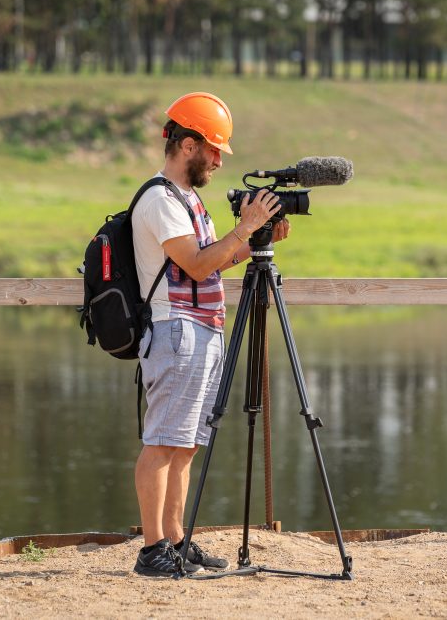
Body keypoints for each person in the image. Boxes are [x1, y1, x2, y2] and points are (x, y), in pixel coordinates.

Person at [130, 92, 290, 577]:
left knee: (185, 443)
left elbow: (213, 262)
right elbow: (198, 264)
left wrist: (255, 238)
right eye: (215, 149)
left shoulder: (189, 200)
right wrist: (245, 226)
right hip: (176, 329)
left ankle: (177, 539)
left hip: (202, 330)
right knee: (162, 441)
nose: (220, 160)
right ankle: (152, 548)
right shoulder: (161, 200)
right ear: (188, 145)